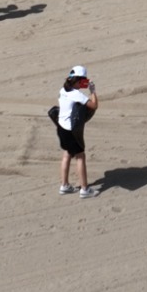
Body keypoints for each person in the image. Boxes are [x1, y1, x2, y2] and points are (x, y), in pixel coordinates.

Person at [52, 65, 98, 195]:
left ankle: (64, 185)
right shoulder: (76, 94)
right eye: (84, 80)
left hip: (61, 128)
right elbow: (94, 106)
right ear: (79, 80)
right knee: (80, 157)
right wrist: (93, 91)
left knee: (67, 154)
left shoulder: (63, 90)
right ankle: (84, 189)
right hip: (71, 131)